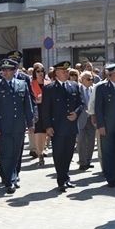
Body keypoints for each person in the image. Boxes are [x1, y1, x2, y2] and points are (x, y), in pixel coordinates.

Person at [0, 59, 34, 194]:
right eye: (4, 70)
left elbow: (28, 105)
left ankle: (11, 175)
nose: (6, 72)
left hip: (19, 125)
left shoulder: (22, 84)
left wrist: (30, 123)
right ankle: (9, 180)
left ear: (15, 71)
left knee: (16, 152)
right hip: (3, 125)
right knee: (6, 153)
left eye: (9, 70)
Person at [41, 61, 83, 192]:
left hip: (71, 127)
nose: (66, 73)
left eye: (67, 71)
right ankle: (61, 179)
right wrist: (48, 127)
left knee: (69, 154)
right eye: (63, 71)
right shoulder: (49, 89)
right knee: (59, 154)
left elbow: (81, 104)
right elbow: (45, 110)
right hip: (57, 127)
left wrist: (76, 113)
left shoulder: (74, 86)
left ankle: (66, 177)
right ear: (56, 73)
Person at [77, 71, 96, 171]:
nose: (91, 81)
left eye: (92, 79)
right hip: (81, 118)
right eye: (88, 79)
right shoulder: (77, 89)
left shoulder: (94, 89)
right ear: (82, 79)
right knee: (81, 141)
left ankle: (88, 161)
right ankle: (82, 162)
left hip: (91, 118)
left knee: (91, 141)